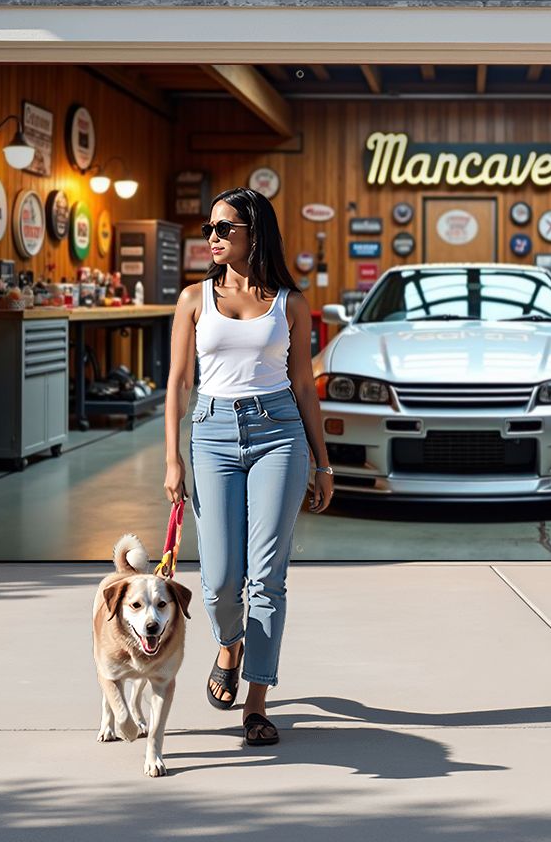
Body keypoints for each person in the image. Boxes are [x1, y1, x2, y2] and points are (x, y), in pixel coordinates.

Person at [164, 186, 333, 746]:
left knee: (266, 576)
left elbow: (305, 384)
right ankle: (229, 643)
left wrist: (322, 461)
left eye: (223, 229)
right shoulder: (194, 299)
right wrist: (172, 457)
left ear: (253, 234)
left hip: (278, 433)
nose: (211, 238)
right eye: (209, 228)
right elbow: (179, 383)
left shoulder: (290, 302)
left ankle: (257, 702)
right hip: (211, 433)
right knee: (217, 582)